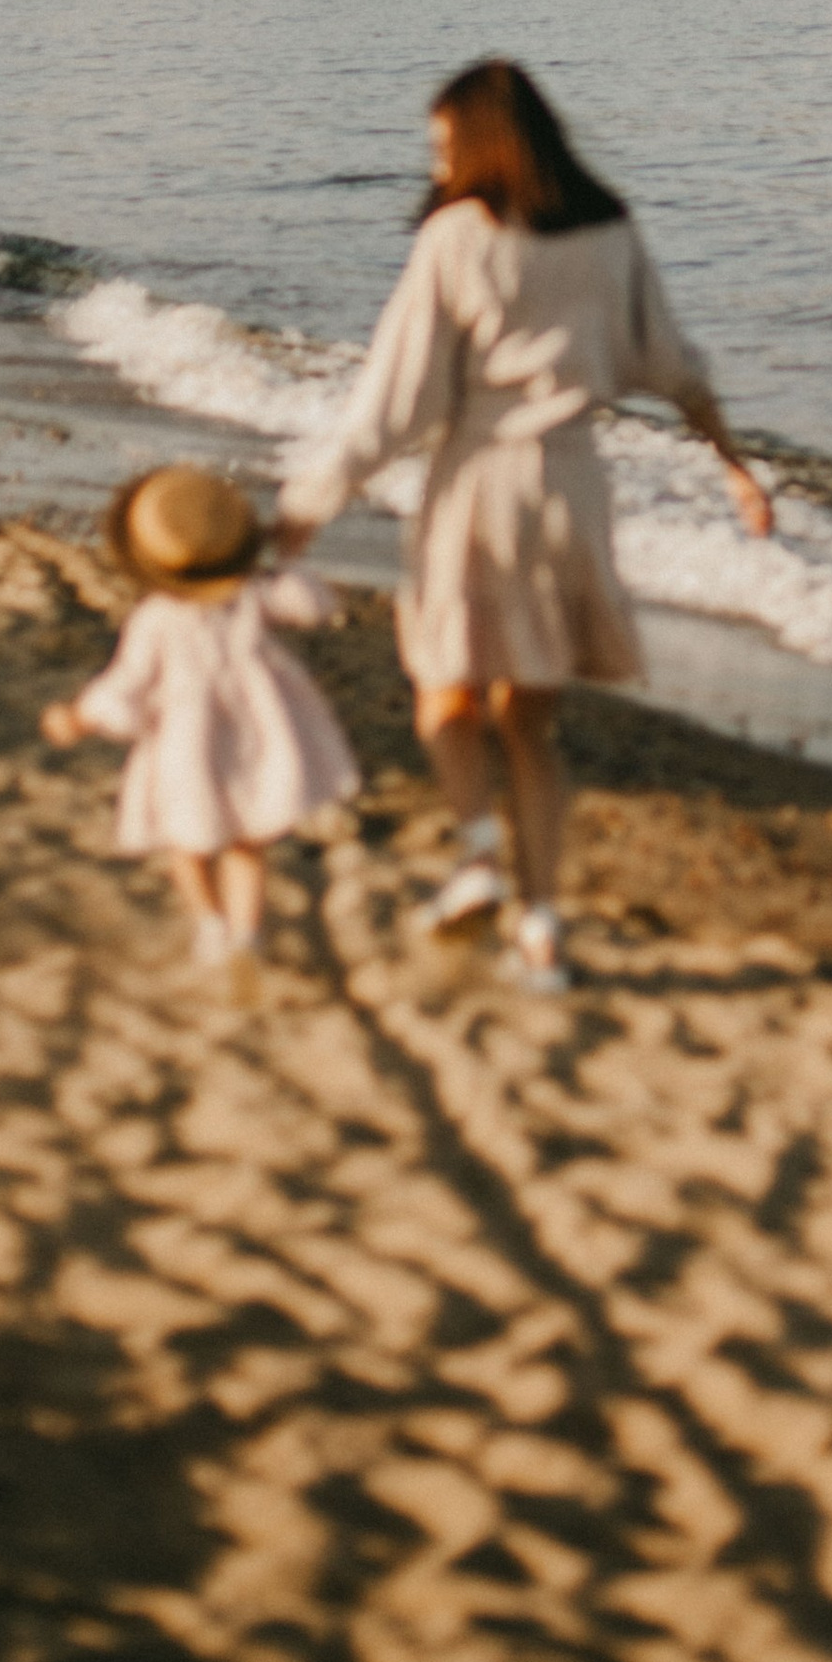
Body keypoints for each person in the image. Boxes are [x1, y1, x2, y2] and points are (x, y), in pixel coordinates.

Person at [276, 58, 772, 993]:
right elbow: (673, 366)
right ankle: (539, 929)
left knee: (442, 693)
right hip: (574, 494)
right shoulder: (609, 228)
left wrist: (307, 507)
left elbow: (393, 406)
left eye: (441, 148)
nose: (435, 168)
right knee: (531, 729)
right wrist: (736, 469)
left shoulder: (456, 238)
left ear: (477, 143)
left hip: (478, 486)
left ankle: (476, 858)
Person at [42, 464, 359, 976]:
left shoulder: (156, 618)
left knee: (185, 843)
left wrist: (77, 717)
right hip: (255, 737)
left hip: (184, 744)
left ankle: (210, 922)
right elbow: (313, 602)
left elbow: (126, 686)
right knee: (246, 841)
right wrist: (280, 555)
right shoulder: (250, 597)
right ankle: (246, 936)